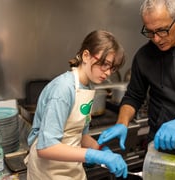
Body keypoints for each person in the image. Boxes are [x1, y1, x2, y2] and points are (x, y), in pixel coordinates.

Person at [98, 0, 175, 157]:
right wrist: (122, 122)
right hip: (163, 147)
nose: (156, 39)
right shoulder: (144, 56)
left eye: (162, 30)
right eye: (150, 32)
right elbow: (133, 96)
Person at [25, 30, 128, 180]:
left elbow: (79, 135)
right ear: (86, 56)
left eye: (112, 68)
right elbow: (46, 147)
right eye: (104, 64)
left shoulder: (88, 87)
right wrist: (94, 155)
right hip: (47, 172)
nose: (107, 73)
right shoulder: (63, 89)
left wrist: (102, 150)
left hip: (71, 168)